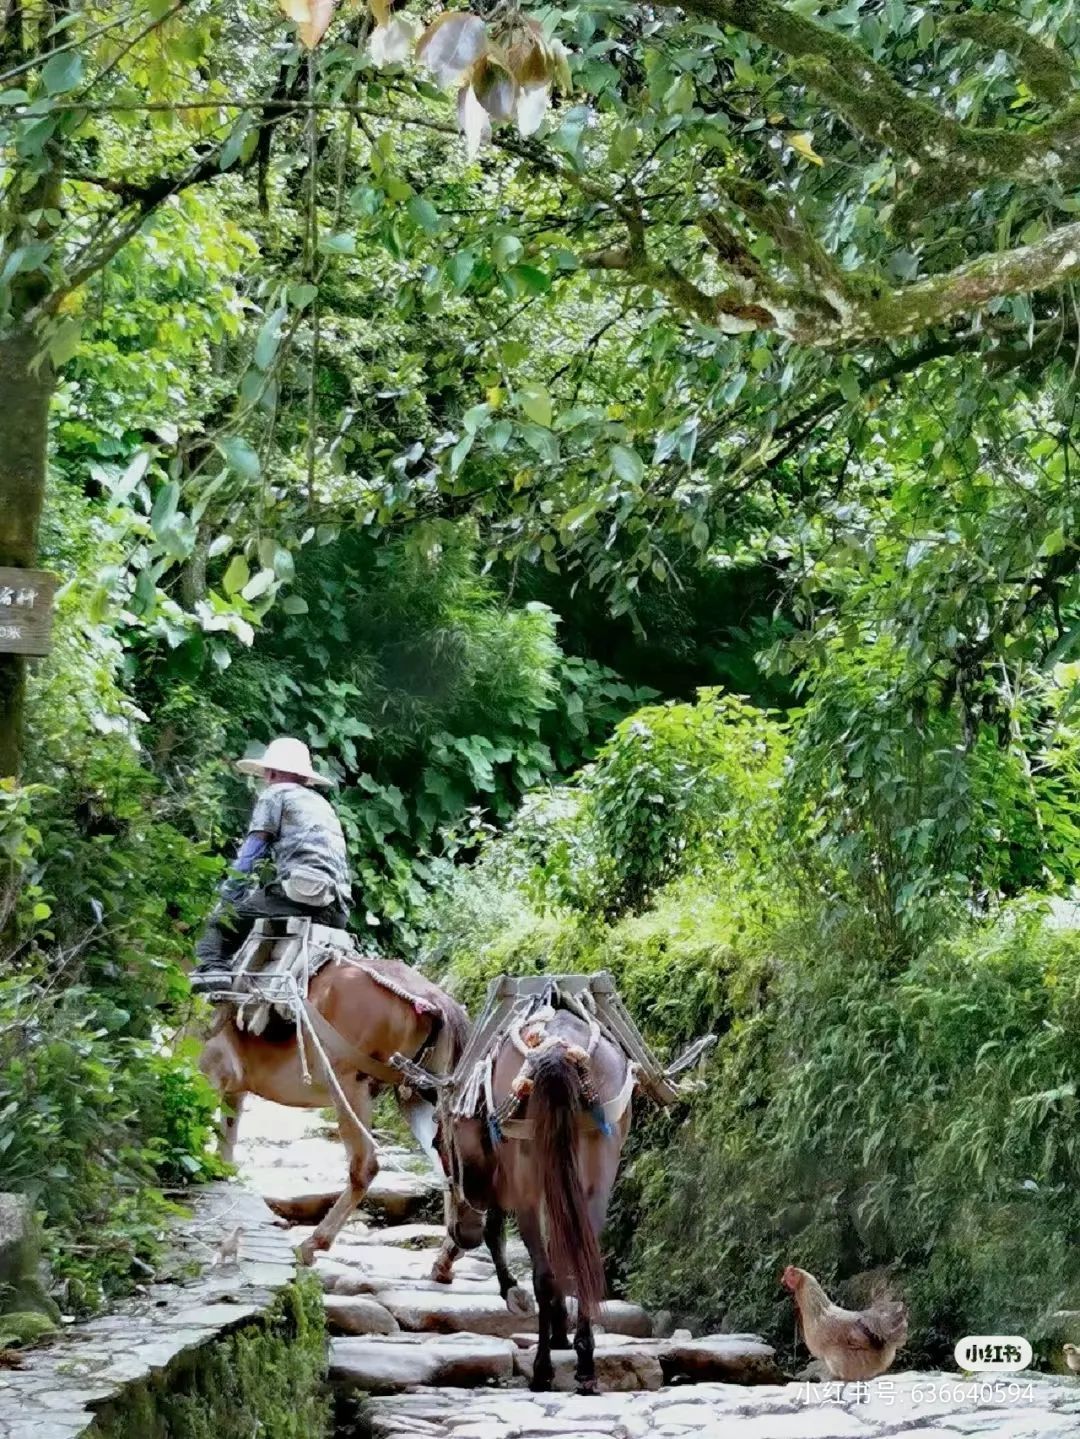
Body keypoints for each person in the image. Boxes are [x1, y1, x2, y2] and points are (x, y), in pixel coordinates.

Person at [190, 736, 352, 990]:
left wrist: (229, 895)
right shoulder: (322, 804)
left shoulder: (275, 795)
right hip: (339, 908)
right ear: (304, 777)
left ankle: (214, 972)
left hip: (301, 893)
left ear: (272, 772)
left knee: (220, 924)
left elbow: (252, 851)